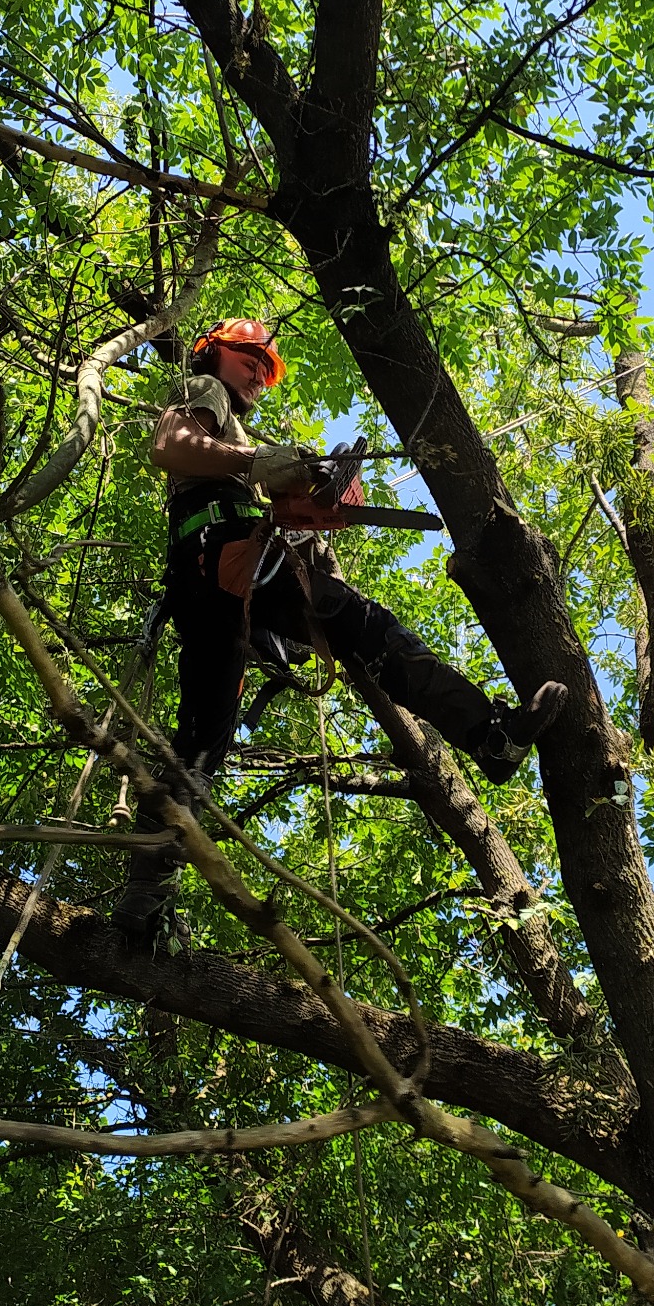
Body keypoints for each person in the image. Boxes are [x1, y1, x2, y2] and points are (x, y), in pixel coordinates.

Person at [113, 317, 566, 938]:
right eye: (249, 359)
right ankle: (488, 735)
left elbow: (263, 491)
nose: (256, 375)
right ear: (214, 353)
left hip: (217, 579)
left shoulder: (236, 428)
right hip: (223, 556)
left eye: (263, 369)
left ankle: (143, 901)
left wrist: (311, 498)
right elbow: (170, 444)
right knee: (364, 626)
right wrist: (256, 461)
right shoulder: (204, 392)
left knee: (201, 747)